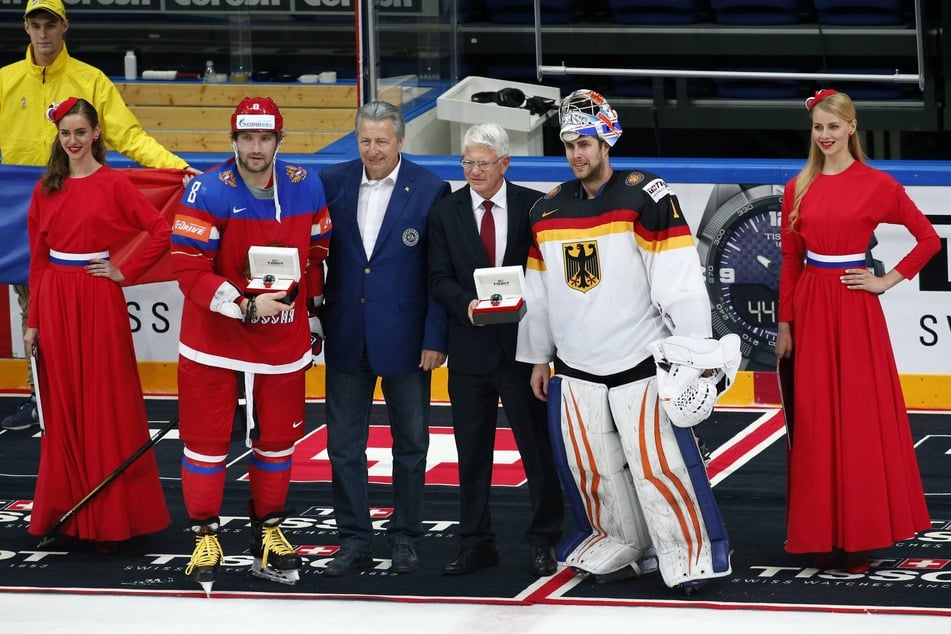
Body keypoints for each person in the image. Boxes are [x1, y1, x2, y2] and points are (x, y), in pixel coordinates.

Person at [516, 89, 734, 591]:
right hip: (575, 370)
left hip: (639, 364)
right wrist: (536, 358)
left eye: (586, 142)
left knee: (661, 469)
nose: (577, 153)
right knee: (593, 471)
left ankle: (689, 553)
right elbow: (540, 294)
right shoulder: (545, 211)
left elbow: (679, 278)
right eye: (569, 143)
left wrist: (695, 353)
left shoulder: (645, 196)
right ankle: (619, 541)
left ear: (607, 140)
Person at [0, 0, 197, 431]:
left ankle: (80, 398)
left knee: (72, 307)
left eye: (50, 25)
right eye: (35, 25)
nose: (43, 34)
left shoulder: (91, 80)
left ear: (64, 26)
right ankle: (42, 396)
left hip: (76, 203)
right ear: (26, 28)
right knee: (31, 304)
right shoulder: (5, 81)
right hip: (26, 205)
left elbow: (129, 136)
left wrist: (178, 169)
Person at [169, 96, 332, 595]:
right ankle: (205, 534)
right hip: (213, 340)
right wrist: (239, 304)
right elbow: (186, 266)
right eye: (246, 138)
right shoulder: (204, 190)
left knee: (278, 440)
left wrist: (313, 313)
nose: (255, 148)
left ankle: (270, 530)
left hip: (280, 338)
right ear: (233, 139)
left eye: (264, 138)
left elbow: (318, 254)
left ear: (278, 140)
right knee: (205, 442)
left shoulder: (307, 186)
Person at [776, 89, 938, 574]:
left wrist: (886, 280)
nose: (825, 136)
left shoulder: (877, 184)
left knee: (857, 423)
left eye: (833, 126)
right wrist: (784, 324)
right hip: (811, 307)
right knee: (815, 424)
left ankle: (860, 537)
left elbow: (928, 240)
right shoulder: (796, 187)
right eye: (818, 128)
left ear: (851, 127)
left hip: (854, 311)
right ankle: (821, 534)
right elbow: (789, 260)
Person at [25, 97, 171, 553]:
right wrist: (32, 321)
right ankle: (66, 512)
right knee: (63, 406)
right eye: (65, 133)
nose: (72, 141)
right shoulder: (44, 189)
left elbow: (160, 230)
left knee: (105, 402)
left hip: (98, 298)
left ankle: (110, 519)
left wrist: (124, 272)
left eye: (80, 132)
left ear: (96, 136)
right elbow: (36, 258)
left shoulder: (115, 183)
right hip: (55, 299)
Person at [318, 101, 450, 576]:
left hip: (409, 341)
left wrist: (436, 337)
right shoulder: (331, 181)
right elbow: (313, 255)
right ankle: (353, 539)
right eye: (365, 140)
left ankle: (405, 536)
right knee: (344, 447)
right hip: (347, 336)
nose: (372, 150)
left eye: (381, 141)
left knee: (411, 444)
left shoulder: (432, 189)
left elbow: (440, 272)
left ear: (400, 141)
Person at [428, 122, 563, 576]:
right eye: (467, 162)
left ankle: (545, 539)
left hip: (524, 352)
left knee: (537, 450)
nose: (473, 171)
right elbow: (438, 278)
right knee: (471, 452)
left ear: (505, 163)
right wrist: (466, 304)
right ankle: (475, 542)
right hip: (469, 353)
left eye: (483, 163)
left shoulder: (535, 206)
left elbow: (549, 275)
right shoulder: (445, 211)